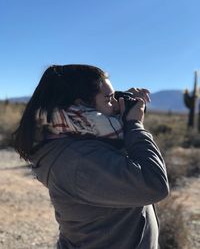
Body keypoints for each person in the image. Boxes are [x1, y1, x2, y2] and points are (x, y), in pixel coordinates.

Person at [13, 64, 169, 249]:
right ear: (81, 106)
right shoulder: (78, 160)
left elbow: (99, 125)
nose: (115, 105)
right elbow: (154, 185)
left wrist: (118, 99)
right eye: (109, 99)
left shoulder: (69, 138)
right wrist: (134, 124)